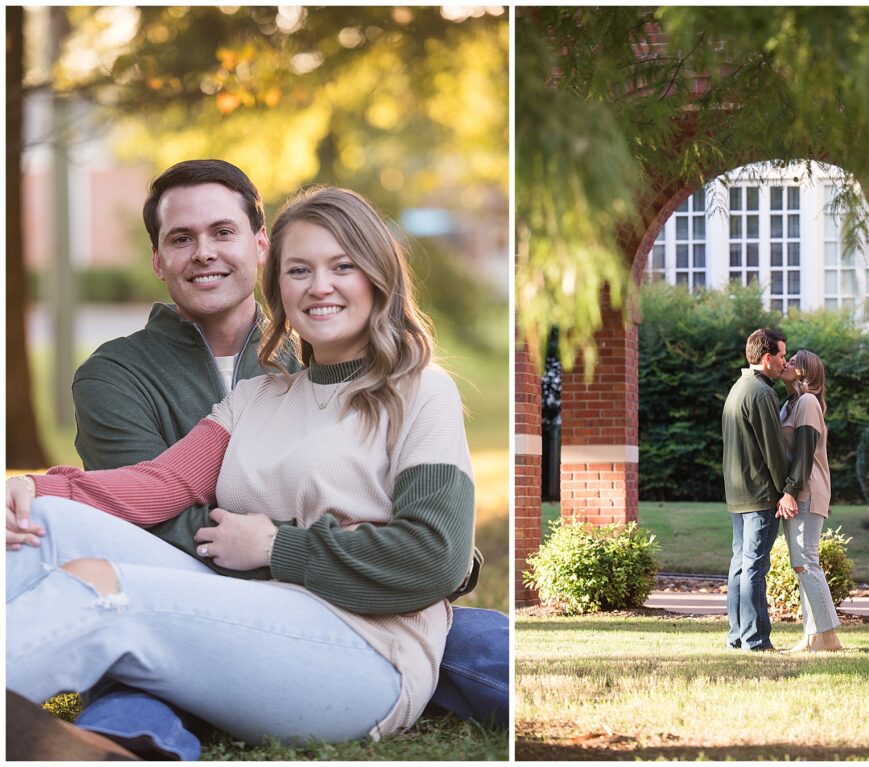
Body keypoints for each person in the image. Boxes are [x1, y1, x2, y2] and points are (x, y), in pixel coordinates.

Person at [14, 160, 506, 755]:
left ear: (378, 278)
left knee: (102, 592)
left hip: (366, 654)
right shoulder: (257, 396)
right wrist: (33, 491)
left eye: (342, 266)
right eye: (300, 270)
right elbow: (156, 485)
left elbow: (435, 558)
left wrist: (276, 546)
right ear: (279, 285)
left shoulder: (421, 391)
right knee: (40, 529)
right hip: (257, 612)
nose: (319, 286)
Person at [721, 328, 799, 651]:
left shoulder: (738, 388)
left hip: (738, 495)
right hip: (760, 495)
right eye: (781, 355)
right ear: (766, 358)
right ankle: (756, 640)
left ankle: (737, 636)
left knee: (740, 564)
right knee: (754, 566)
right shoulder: (762, 394)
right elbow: (774, 450)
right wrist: (788, 488)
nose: (784, 361)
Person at [776, 349, 843, 652]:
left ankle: (829, 637)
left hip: (807, 491)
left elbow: (804, 452)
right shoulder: (790, 404)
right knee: (801, 564)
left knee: (806, 562)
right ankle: (811, 637)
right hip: (797, 491)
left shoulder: (808, 402)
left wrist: (790, 491)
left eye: (793, 362)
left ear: (806, 372)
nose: (786, 363)